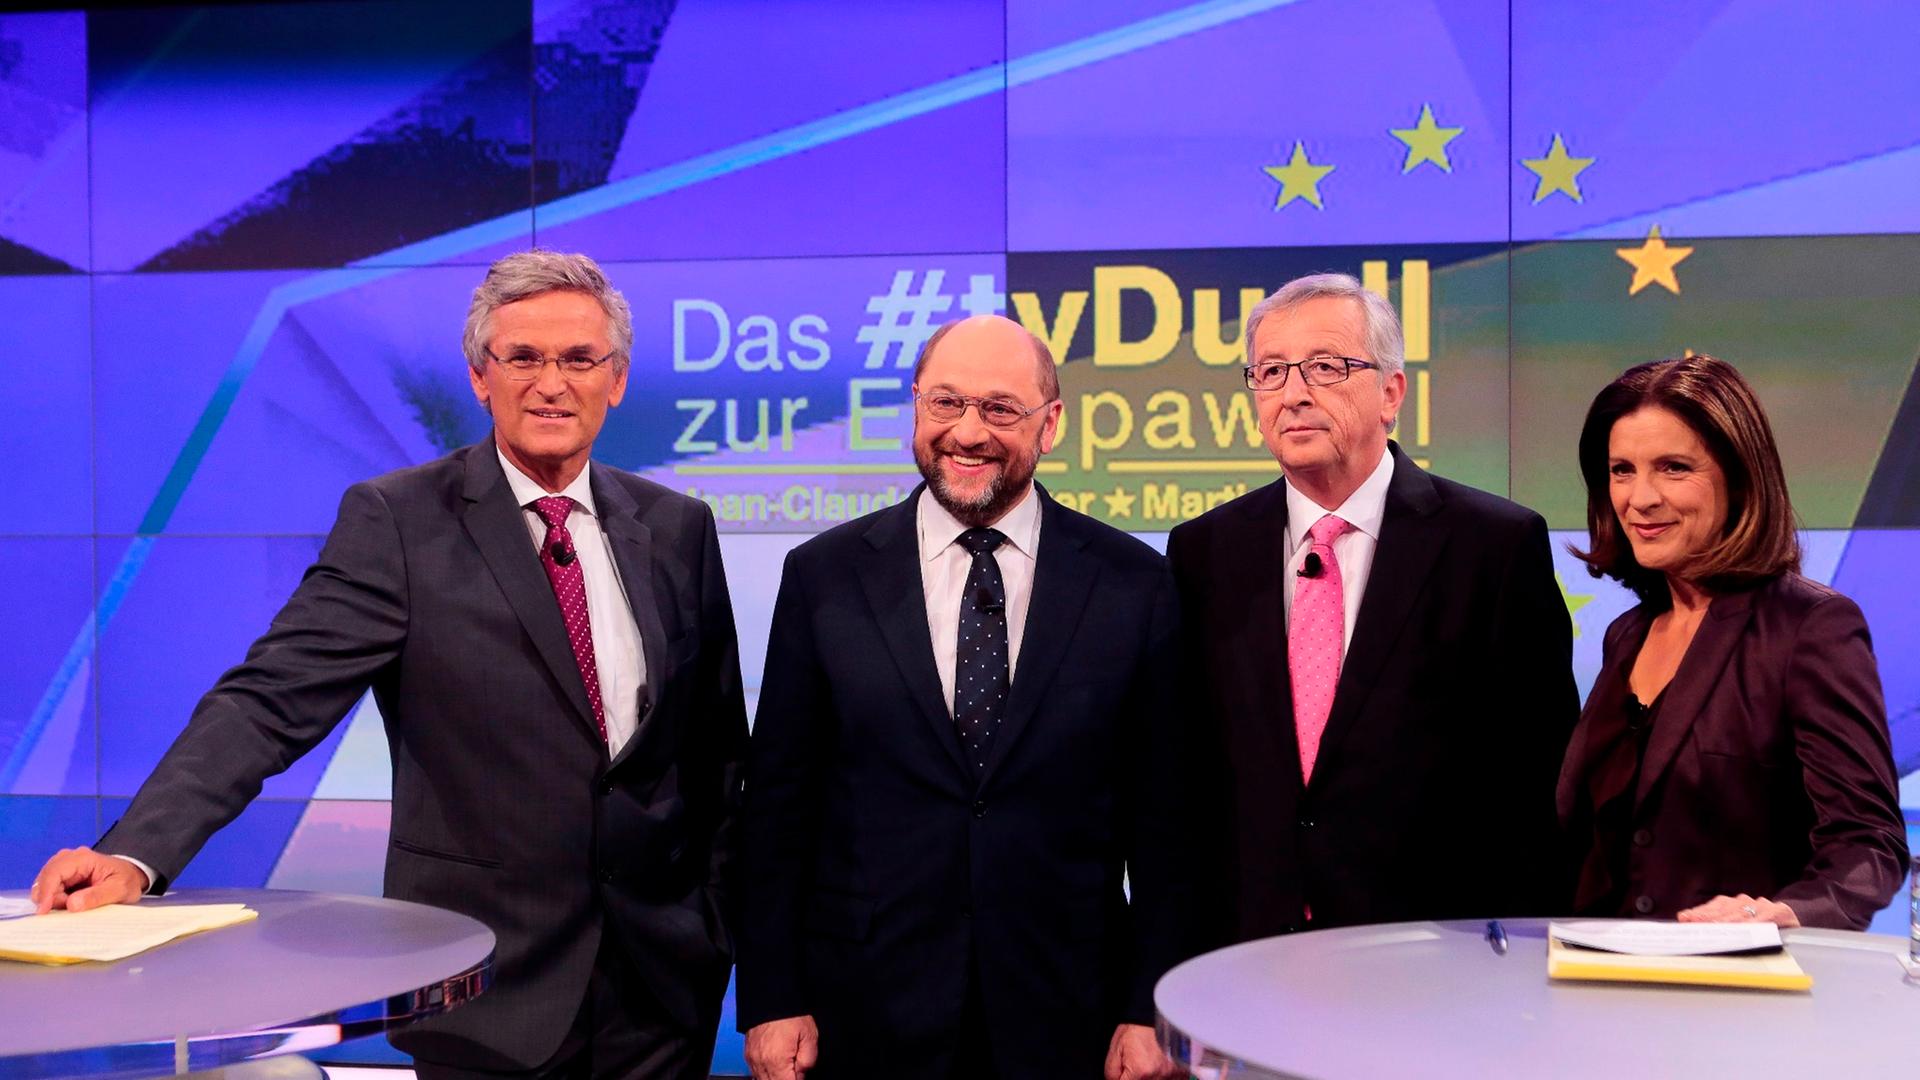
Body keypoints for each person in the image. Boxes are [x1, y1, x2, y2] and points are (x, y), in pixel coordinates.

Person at [29, 251, 748, 1079]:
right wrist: (137, 853)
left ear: (615, 380)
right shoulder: (398, 521)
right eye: (523, 358)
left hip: (661, 994)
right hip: (487, 989)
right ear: (481, 377)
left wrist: (718, 932)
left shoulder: (676, 525)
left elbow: (717, 756)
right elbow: (269, 702)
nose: (552, 383)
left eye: (578, 359)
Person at [735, 314, 1189, 1080]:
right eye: (946, 404)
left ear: (1052, 425)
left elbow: (1167, 826)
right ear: (915, 406)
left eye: (1000, 409)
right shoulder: (824, 575)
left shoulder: (1132, 583)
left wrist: (1148, 1007)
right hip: (863, 1011)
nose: (968, 432)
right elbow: (778, 805)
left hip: (1068, 1015)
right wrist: (772, 997)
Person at [1167, 273, 1577, 945]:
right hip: (1245, 958)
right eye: (1270, 372)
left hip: (1437, 964)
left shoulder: (1494, 547)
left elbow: (1538, 787)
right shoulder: (1205, 552)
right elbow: (1182, 782)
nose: (1293, 393)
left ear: (1392, 393)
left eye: (1325, 367)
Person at [1558, 354, 1906, 928]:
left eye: (1673, 468)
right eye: (1622, 470)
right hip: (1600, 985)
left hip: (1740, 995)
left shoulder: (1811, 628)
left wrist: (1784, 913)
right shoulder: (1627, 634)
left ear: (1739, 477)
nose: (1639, 498)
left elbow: (1868, 846)